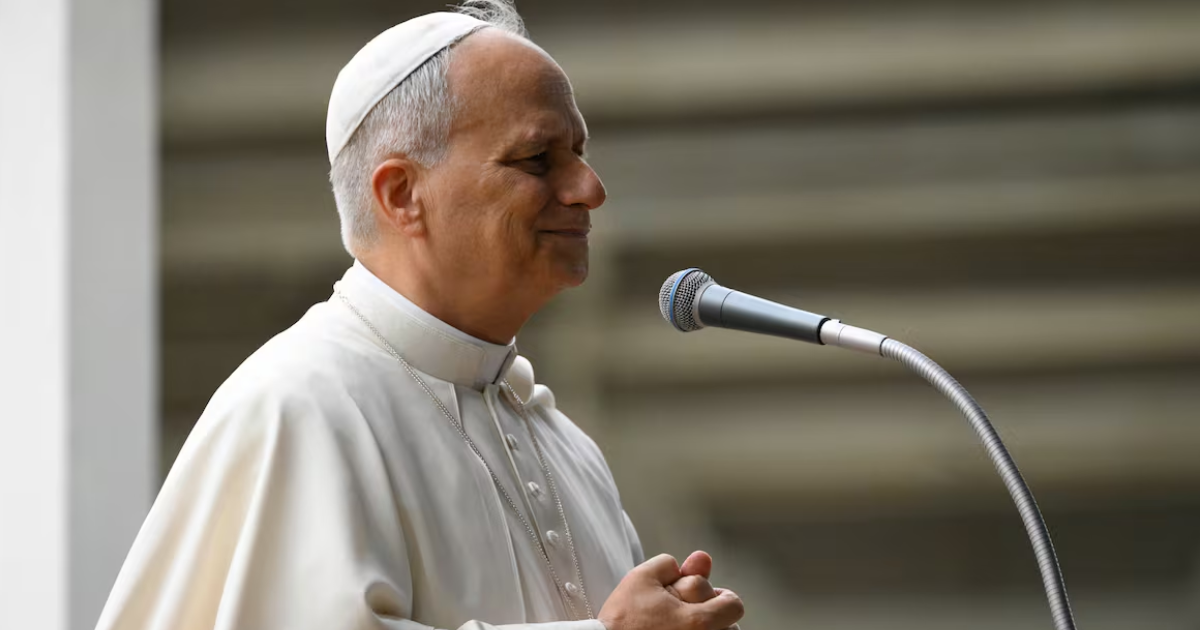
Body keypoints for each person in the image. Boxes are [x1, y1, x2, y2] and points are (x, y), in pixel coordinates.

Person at [95, 2, 745, 630]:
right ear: (403, 195)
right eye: (537, 159)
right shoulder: (298, 404)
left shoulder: (567, 448)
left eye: (580, 152)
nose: (589, 188)